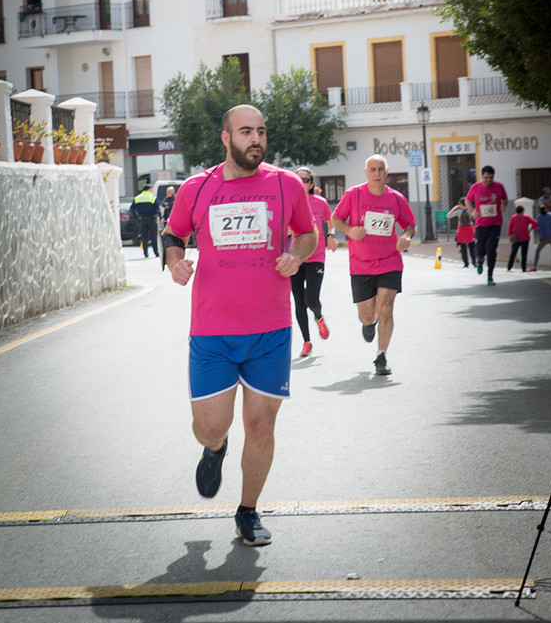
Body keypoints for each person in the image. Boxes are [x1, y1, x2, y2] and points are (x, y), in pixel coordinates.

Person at [162, 105, 317, 547]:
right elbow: (174, 234)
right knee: (212, 426)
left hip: (270, 329)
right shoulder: (198, 187)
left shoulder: (287, 184)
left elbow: (306, 232)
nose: (256, 140)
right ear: (226, 138)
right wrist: (176, 262)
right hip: (212, 330)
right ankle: (214, 449)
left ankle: (247, 511)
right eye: (246, 132)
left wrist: (298, 253)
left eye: (261, 132)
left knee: (261, 426)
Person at [331, 154, 416, 376]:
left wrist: (406, 236)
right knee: (367, 315)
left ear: (387, 172)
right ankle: (369, 323)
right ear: (366, 172)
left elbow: (409, 225)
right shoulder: (354, 194)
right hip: (360, 264)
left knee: (386, 307)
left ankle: (381, 356)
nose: (377, 174)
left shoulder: (397, 199)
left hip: (390, 260)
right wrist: (349, 230)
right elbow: (336, 219)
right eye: (373, 169)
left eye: (381, 169)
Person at [291, 166, 338, 357]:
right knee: (298, 302)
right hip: (295, 256)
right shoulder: (290, 202)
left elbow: (331, 220)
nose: (302, 183)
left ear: (311, 183)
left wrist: (331, 235)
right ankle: (306, 342)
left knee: (310, 298)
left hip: (316, 256)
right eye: (298, 179)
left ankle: (318, 317)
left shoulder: (320, 202)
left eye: (306, 180)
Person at [465, 165, 508, 286]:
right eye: (486, 178)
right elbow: (468, 201)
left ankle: (490, 275)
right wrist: (473, 211)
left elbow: (505, 199)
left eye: (490, 178)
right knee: (479, 249)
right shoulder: (475, 187)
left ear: (493, 177)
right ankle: (479, 260)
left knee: (491, 250)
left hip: (495, 223)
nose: (488, 180)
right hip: (480, 224)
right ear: (482, 176)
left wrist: (503, 205)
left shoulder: (499, 187)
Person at [131, 183, 159, 258]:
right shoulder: (152, 197)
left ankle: (145, 253)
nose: (152, 190)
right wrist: (159, 216)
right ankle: (156, 252)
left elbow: (132, 209)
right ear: (149, 189)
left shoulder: (137, 197)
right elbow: (157, 208)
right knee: (154, 237)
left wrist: (137, 216)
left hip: (142, 219)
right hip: (151, 219)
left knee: (144, 237)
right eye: (151, 189)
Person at [506, 205, 537, 272]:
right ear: (523, 211)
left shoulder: (513, 217)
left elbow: (510, 228)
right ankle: (523, 268)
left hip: (516, 238)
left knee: (513, 253)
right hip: (525, 237)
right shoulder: (526, 217)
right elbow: (535, 223)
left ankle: (509, 267)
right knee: (524, 254)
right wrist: (530, 229)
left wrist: (510, 236)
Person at [446, 197, 476, 267]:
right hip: (470, 229)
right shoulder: (470, 210)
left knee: (463, 248)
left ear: (460, 204)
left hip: (461, 230)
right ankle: (474, 262)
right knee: (472, 247)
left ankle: (466, 263)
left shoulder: (459, 211)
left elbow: (448, 215)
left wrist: (454, 208)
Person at [528, 204, 551, 271]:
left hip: (545, 237)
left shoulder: (539, 217)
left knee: (538, 251)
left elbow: (538, 227)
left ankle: (535, 266)